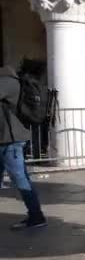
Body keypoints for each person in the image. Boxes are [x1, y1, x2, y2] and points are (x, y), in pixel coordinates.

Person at [0, 65, 47, 230]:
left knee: (20, 178)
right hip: (7, 139)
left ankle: (36, 216)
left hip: (10, 140)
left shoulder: (6, 82)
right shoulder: (11, 81)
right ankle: (36, 215)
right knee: (20, 177)